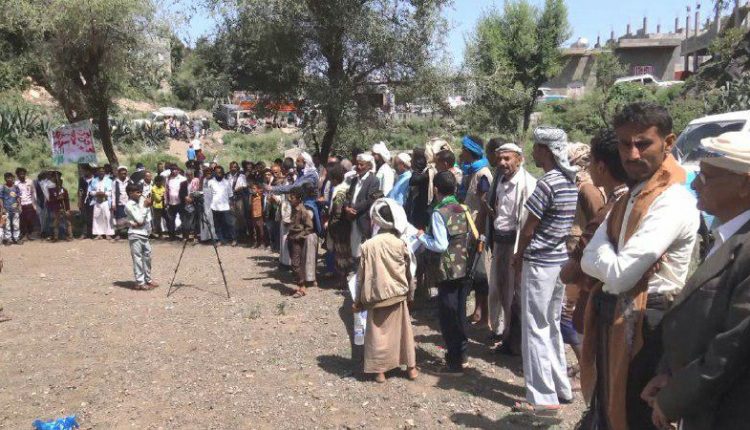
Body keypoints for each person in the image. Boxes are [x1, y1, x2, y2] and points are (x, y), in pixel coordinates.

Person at [580, 103, 700, 429]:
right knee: (608, 407)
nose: (631, 154)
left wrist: (601, 253)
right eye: (624, 144)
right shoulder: (631, 196)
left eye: (643, 143)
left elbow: (618, 277)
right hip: (619, 319)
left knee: (632, 416)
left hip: (648, 325)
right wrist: (604, 256)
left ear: (669, 142)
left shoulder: (671, 200)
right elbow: (588, 259)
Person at [639, 132, 750, 430]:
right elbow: (698, 317)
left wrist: (675, 398)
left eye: (707, 177)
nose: (696, 184)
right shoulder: (726, 236)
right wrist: (670, 373)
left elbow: (733, 346)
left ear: (745, 184)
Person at [561, 129, 630, 429]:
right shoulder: (626, 201)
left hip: (604, 305)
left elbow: (580, 259)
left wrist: (572, 269)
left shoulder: (612, 207)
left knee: (605, 385)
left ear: (601, 166)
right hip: (608, 302)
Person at [511, 126, 578, 415]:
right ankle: (560, 387)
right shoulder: (569, 181)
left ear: (545, 151)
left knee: (535, 328)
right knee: (550, 325)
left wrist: (517, 255)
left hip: (539, 263)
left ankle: (541, 397)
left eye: (536, 147)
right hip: (559, 262)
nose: (533, 153)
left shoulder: (547, 183)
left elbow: (528, 229)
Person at [418, 171, 478, 374]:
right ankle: (463, 354)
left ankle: (454, 362)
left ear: (435, 190)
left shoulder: (439, 213)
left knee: (448, 315)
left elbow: (441, 244)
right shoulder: (463, 208)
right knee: (460, 312)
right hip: (465, 266)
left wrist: (421, 237)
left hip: (447, 270)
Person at [354, 198, 418, 383]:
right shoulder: (400, 244)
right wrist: (410, 294)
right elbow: (409, 272)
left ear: (377, 220)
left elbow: (360, 277)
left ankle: (380, 372)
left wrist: (358, 301)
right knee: (404, 333)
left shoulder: (368, 246)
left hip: (376, 295)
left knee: (377, 334)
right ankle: (411, 368)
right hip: (398, 294)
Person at [485, 142, 537, 356]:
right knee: (498, 287)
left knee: (515, 293)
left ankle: (515, 341)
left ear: (519, 159)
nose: (503, 163)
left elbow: (527, 223)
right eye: (500, 159)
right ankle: (502, 332)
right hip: (500, 241)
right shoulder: (500, 180)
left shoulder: (528, 184)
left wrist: (520, 251)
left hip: (516, 244)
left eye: (507, 159)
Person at [561, 142, 605, 382]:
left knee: (568, 317)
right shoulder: (579, 184)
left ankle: (585, 370)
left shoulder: (588, 189)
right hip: (574, 254)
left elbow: (598, 221)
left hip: (581, 261)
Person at [458, 135, 493, 327]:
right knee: (473, 271)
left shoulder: (483, 174)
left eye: (463, 149)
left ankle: (484, 313)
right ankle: (478, 311)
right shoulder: (470, 172)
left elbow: (484, 204)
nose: (461, 153)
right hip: (470, 228)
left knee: (480, 273)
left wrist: (478, 233)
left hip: (478, 230)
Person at [346, 153, 380, 266]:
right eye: (357, 164)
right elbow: (348, 195)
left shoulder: (374, 180)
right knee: (352, 248)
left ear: (369, 166)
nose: (359, 167)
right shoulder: (355, 180)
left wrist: (353, 209)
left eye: (362, 165)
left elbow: (370, 200)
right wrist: (347, 207)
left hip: (362, 218)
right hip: (351, 218)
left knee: (361, 251)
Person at [124, 183, 158, 291]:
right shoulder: (129, 205)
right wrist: (145, 207)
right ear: (130, 193)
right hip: (135, 234)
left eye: (140, 192)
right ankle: (140, 282)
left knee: (147, 257)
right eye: (137, 192)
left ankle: (148, 279)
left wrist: (147, 205)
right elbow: (139, 220)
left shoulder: (140, 202)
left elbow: (146, 219)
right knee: (137, 258)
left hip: (144, 233)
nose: (140, 194)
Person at [326, 163, 353, 283]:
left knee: (342, 253)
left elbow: (337, 213)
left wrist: (332, 227)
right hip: (343, 226)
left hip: (340, 227)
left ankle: (342, 279)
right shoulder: (344, 188)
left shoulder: (340, 191)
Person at [287, 186, 315, 298]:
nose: (290, 199)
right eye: (289, 197)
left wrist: (300, 236)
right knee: (294, 263)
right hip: (291, 238)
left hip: (297, 240)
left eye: (292, 197)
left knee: (296, 264)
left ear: (299, 199)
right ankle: (299, 285)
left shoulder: (303, 211)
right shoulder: (293, 209)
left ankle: (302, 287)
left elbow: (309, 227)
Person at [208, 165, 235, 246]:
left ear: (223, 173)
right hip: (214, 207)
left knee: (229, 223)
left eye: (220, 172)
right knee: (217, 225)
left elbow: (230, 195)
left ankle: (233, 239)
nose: (218, 174)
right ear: (214, 173)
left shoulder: (227, 182)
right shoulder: (210, 182)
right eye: (216, 172)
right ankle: (220, 240)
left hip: (225, 206)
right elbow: (208, 195)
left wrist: (232, 205)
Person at [88, 167, 115, 240]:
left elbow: (111, 192)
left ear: (105, 172)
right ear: (97, 172)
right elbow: (90, 191)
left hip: (106, 201)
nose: (101, 173)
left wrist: (104, 193)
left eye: (103, 171)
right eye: (100, 171)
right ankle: (98, 234)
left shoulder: (109, 181)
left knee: (107, 217)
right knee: (97, 217)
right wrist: (96, 193)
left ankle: (108, 234)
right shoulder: (94, 181)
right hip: (97, 201)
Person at [47, 176, 72, 241]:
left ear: (62, 182)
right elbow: (49, 200)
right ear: (55, 183)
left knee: (67, 222)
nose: (59, 183)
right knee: (56, 223)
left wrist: (68, 210)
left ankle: (70, 236)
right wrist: (57, 198)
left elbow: (67, 201)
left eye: (60, 182)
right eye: (57, 182)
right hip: (56, 209)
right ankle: (55, 237)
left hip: (64, 208)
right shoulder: (51, 190)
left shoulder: (64, 190)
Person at [15, 168, 37, 241]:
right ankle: (24, 234)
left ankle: (29, 234)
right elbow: (15, 195)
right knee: (22, 220)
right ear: (17, 175)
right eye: (20, 174)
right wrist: (17, 205)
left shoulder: (30, 182)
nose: (22, 175)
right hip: (21, 204)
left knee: (30, 219)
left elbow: (33, 192)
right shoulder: (16, 184)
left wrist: (34, 204)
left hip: (29, 203)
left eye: (23, 173)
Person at [165, 166, 187, 240]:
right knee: (171, 220)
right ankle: (172, 236)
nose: (174, 171)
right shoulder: (168, 179)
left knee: (183, 219)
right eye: (172, 170)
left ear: (178, 170)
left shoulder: (183, 179)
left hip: (181, 203)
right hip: (171, 203)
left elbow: (185, 191)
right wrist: (166, 201)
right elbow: (166, 191)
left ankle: (185, 236)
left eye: (175, 170)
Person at [0, 173, 21, 244]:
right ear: (5, 179)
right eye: (7, 177)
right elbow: (1, 198)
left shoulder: (16, 187)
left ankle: (16, 238)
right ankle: (8, 239)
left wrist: (20, 206)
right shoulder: (2, 187)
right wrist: (2, 208)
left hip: (15, 209)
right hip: (6, 209)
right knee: (7, 225)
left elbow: (18, 197)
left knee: (16, 224)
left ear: (13, 178)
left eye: (11, 177)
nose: (9, 179)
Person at [112, 166, 132, 240]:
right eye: (122, 173)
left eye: (125, 173)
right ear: (119, 174)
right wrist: (113, 204)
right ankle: (119, 234)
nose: (123, 175)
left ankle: (128, 234)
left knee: (129, 218)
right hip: (119, 203)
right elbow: (113, 193)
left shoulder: (129, 181)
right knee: (119, 218)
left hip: (128, 203)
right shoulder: (115, 182)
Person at [77, 165, 95, 240]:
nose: (83, 172)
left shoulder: (95, 179)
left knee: (93, 217)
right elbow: (80, 190)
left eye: (84, 171)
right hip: (84, 200)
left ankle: (92, 233)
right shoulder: (82, 179)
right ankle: (84, 233)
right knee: (84, 216)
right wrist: (80, 200)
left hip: (94, 200)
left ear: (89, 170)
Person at [249, 181, 266, 247]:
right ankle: (256, 242)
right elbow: (250, 206)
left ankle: (262, 243)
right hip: (253, 215)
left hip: (260, 216)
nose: (252, 190)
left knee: (261, 230)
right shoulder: (251, 196)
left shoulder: (261, 197)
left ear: (258, 189)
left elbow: (263, 206)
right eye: (252, 189)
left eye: (254, 188)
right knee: (255, 230)